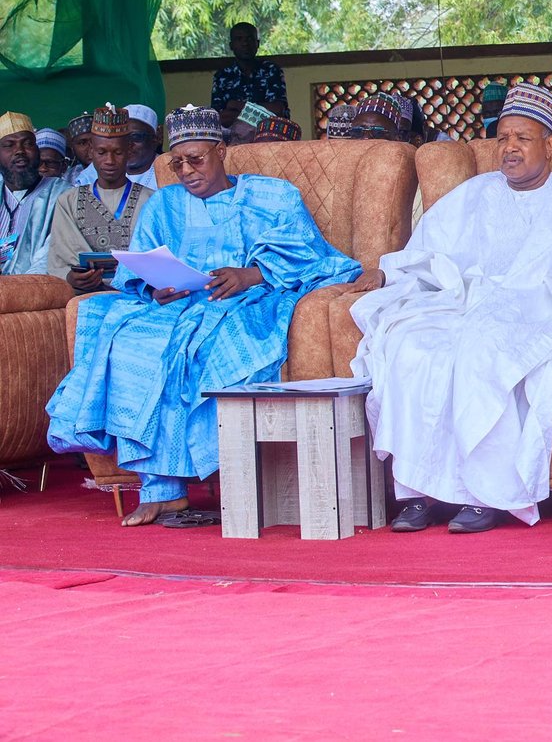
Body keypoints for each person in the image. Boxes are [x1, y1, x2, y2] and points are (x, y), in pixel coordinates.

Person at [349, 83, 552, 534]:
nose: (509, 148)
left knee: (484, 352)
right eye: (503, 138)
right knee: (411, 346)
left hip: (534, 308)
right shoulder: (474, 193)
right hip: (462, 302)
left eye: (522, 139)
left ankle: (484, 493)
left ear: (549, 144)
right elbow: (426, 249)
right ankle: (417, 492)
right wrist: (389, 271)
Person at [46, 105, 360, 527]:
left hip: (243, 303)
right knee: (127, 336)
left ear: (222, 150)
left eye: (197, 159)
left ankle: (203, 485)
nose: (187, 171)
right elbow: (137, 269)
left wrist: (251, 274)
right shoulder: (164, 205)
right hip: (176, 306)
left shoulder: (272, 195)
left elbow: (313, 257)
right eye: (177, 163)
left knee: (202, 347)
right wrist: (156, 287)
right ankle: (161, 491)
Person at [47, 105, 154, 294]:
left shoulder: (152, 200)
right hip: (84, 295)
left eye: (118, 152)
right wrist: (71, 277)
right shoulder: (68, 201)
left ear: (129, 150)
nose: (110, 161)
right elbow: (60, 259)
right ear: (91, 151)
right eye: (102, 152)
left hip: (139, 295)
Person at [0, 113, 71, 276]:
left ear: (37, 151)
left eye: (28, 144)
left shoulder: (64, 196)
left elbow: (52, 255)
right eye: (9, 145)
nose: (19, 151)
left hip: (33, 289)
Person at [210, 21, 289, 126]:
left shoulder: (271, 70)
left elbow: (278, 111)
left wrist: (237, 105)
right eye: (239, 39)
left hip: (268, 136)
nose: (245, 43)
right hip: (234, 138)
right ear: (231, 45)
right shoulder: (222, 76)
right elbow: (220, 118)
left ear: (258, 43)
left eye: (250, 38)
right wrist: (260, 113)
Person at [64, 113, 94, 182]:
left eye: (95, 141)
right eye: (82, 143)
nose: (91, 148)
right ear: (73, 149)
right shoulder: (67, 179)